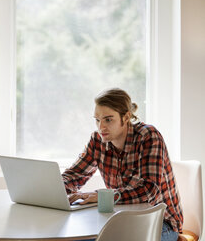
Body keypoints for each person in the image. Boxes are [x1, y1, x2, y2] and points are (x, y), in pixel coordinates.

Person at [62, 88, 183, 241]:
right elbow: (74, 175)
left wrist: (100, 196)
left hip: (160, 223)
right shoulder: (97, 141)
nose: (101, 127)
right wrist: (53, 189)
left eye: (108, 119)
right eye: (97, 120)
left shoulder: (148, 136)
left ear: (125, 117)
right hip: (119, 220)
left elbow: (149, 190)